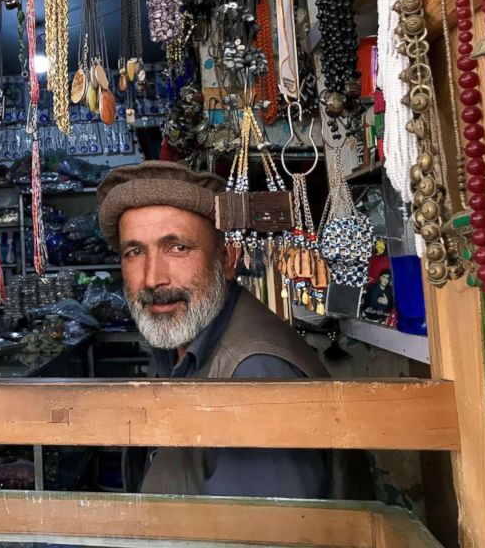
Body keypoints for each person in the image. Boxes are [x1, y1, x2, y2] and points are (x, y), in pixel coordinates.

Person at [96, 160, 368, 499]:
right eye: (135, 252)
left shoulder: (256, 374)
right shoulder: (178, 343)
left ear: (226, 259)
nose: (153, 278)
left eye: (178, 248)